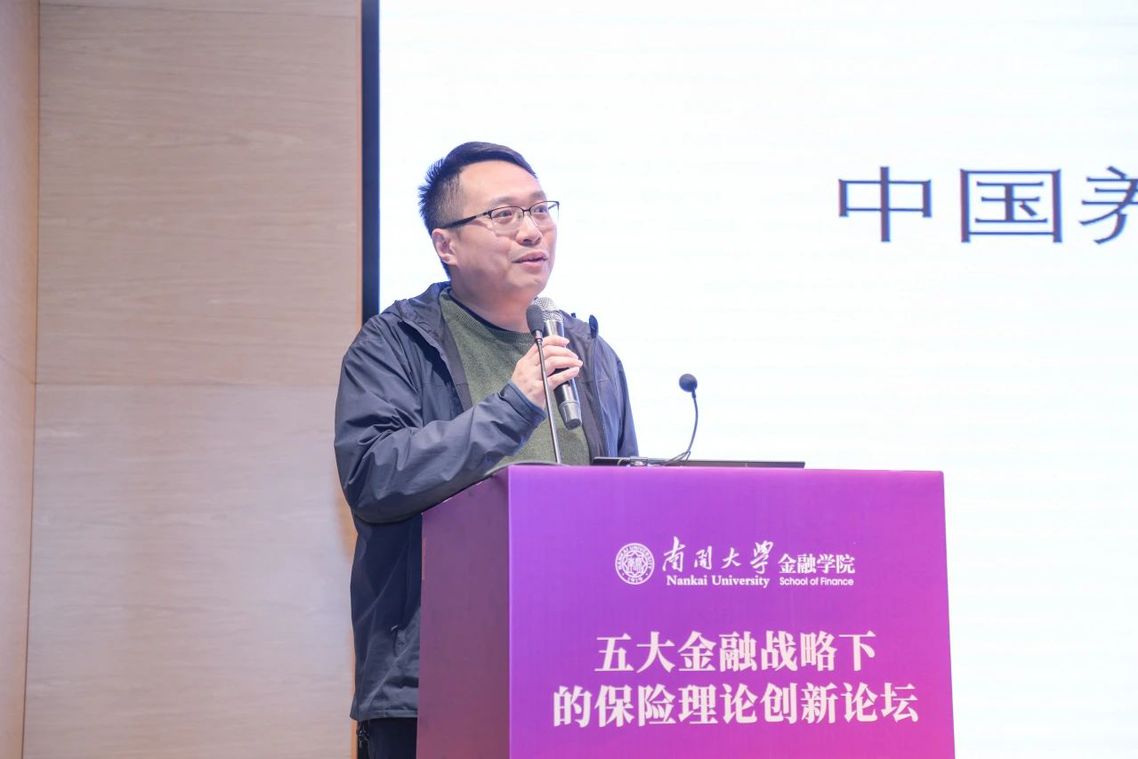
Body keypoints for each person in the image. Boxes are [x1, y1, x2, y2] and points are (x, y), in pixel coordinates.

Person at [334, 142, 638, 758]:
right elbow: (375, 476)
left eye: (541, 209)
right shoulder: (396, 344)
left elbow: (626, 498)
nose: (532, 230)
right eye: (504, 215)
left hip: (574, 675)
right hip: (438, 685)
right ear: (446, 244)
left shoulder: (590, 352)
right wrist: (513, 406)